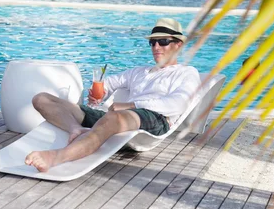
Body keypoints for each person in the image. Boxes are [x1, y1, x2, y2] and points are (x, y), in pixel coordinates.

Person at [25, 18, 202, 172]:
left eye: (163, 41)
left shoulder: (186, 73)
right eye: (152, 42)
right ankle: (75, 129)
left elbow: (178, 104)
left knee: (114, 117)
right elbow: (108, 84)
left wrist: (132, 105)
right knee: (42, 99)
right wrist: (100, 94)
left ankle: (55, 157)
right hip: (121, 117)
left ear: (178, 45)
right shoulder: (139, 72)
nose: (156, 47)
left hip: (155, 118)